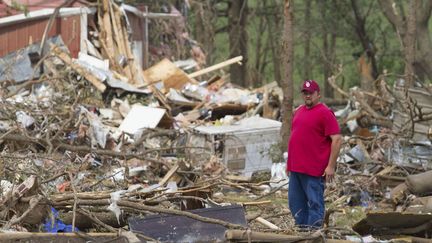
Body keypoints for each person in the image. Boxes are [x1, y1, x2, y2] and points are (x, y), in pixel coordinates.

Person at [286, 80, 342, 228]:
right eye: (305, 93)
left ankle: (314, 234)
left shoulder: (325, 113)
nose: (308, 96)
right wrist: (289, 165)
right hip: (296, 169)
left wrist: (331, 166)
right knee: (295, 204)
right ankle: (303, 232)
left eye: (311, 93)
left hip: (313, 170)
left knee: (315, 204)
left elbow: (336, 139)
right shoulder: (298, 111)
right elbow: (295, 138)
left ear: (318, 94)